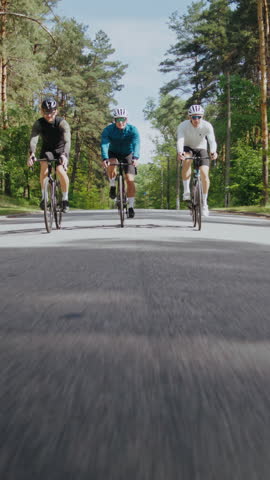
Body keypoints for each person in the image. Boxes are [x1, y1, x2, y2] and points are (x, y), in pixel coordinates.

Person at [27, 98, 71, 213]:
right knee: (44, 169)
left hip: (61, 150)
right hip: (47, 150)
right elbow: (33, 139)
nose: (49, 114)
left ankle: (65, 199)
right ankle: (44, 197)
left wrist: (65, 155)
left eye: (51, 111)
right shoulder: (39, 123)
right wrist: (32, 154)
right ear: (42, 111)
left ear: (56, 111)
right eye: (46, 111)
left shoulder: (62, 123)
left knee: (60, 171)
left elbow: (67, 141)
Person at [177, 104, 218, 217]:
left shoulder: (207, 126)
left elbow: (212, 141)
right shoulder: (183, 126)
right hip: (187, 147)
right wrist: (180, 152)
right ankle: (186, 191)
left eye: (199, 117)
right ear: (189, 117)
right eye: (194, 117)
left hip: (201, 148)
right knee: (187, 160)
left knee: (205, 174)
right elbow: (180, 140)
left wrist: (213, 152)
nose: (196, 120)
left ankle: (204, 203)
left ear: (202, 117)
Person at [101, 107, 140, 218]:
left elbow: (137, 144)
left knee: (130, 180)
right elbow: (104, 144)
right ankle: (113, 185)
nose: (120, 122)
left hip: (128, 154)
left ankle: (131, 207)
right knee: (112, 164)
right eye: (118, 120)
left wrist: (136, 158)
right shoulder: (108, 130)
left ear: (126, 119)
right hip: (113, 152)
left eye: (123, 119)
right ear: (114, 120)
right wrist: (105, 158)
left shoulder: (133, 130)